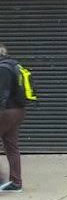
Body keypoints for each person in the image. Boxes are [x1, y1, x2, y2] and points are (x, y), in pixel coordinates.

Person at [0, 43, 26, 193]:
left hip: (6, 112)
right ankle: (16, 183)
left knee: (12, 146)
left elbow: (1, 94)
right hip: (18, 111)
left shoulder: (2, 68)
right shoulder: (15, 65)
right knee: (12, 146)